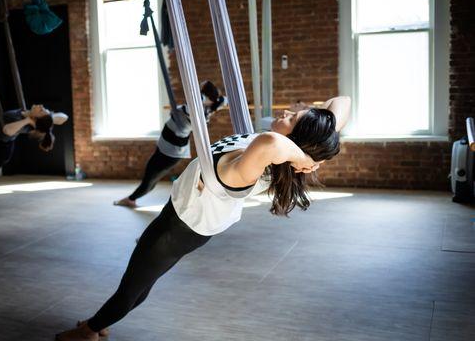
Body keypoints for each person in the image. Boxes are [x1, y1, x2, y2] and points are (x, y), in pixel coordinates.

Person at [55, 96, 351, 341]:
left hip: (178, 227)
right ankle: (102, 321)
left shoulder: (248, 167)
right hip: (185, 220)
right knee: (143, 277)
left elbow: (271, 142)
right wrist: (315, 140)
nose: (288, 112)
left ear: (293, 142)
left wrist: (304, 158)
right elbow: (343, 101)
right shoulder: (268, 152)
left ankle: (89, 331)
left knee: (134, 286)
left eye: (293, 119)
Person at [114, 80, 227, 208]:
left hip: (170, 151)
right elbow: (223, 100)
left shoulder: (195, 110)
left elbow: (191, 106)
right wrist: (215, 98)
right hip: (167, 147)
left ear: (203, 95)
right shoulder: (207, 108)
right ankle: (131, 199)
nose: (197, 88)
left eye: (200, 87)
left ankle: (130, 199)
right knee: (150, 177)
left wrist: (204, 97)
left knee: (150, 179)